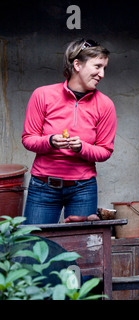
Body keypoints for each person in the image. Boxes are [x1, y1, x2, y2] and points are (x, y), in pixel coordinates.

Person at [22, 38, 116, 224]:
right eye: (97, 66)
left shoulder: (105, 105)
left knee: (79, 249)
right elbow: (28, 139)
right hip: (42, 186)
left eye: (104, 68)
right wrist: (49, 142)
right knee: (33, 247)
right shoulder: (42, 95)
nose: (102, 74)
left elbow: (105, 150)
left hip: (83, 189)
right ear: (77, 65)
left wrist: (82, 147)